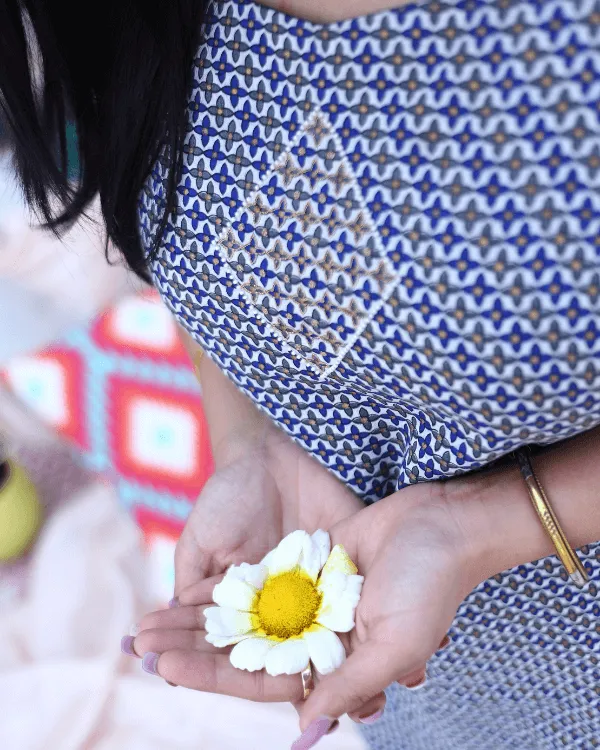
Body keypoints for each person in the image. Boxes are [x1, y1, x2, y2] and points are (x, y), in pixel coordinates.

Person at [1, 0, 599, 747]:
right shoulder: (102, 21)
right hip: (403, 651)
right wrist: (249, 438)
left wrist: (491, 523)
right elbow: (192, 241)